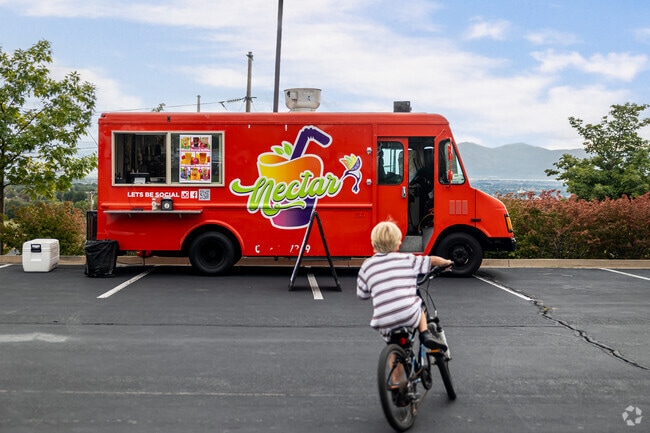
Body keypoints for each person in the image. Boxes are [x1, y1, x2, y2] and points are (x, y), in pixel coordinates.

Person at [357, 221, 452, 350]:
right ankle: (425, 335)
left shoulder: (367, 265)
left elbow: (362, 295)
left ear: (373, 242)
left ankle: (395, 361)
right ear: (398, 242)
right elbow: (432, 260)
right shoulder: (408, 259)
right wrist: (447, 262)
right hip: (408, 314)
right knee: (419, 307)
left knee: (395, 348)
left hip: (383, 320)